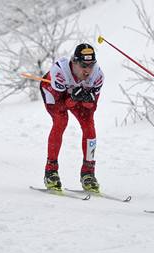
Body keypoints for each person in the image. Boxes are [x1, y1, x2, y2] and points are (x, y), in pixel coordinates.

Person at [39, 43, 104, 193]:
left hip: (72, 95)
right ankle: (51, 171)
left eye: (91, 65)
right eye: (83, 65)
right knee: (61, 121)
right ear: (74, 62)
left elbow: (92, 108)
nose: (87, 70)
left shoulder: (98, 76)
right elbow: (62, 104)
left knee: (89, 125)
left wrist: (87, 98)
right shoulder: (59, 71)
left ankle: (88, 173)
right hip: (53, 92)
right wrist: (75, 97)